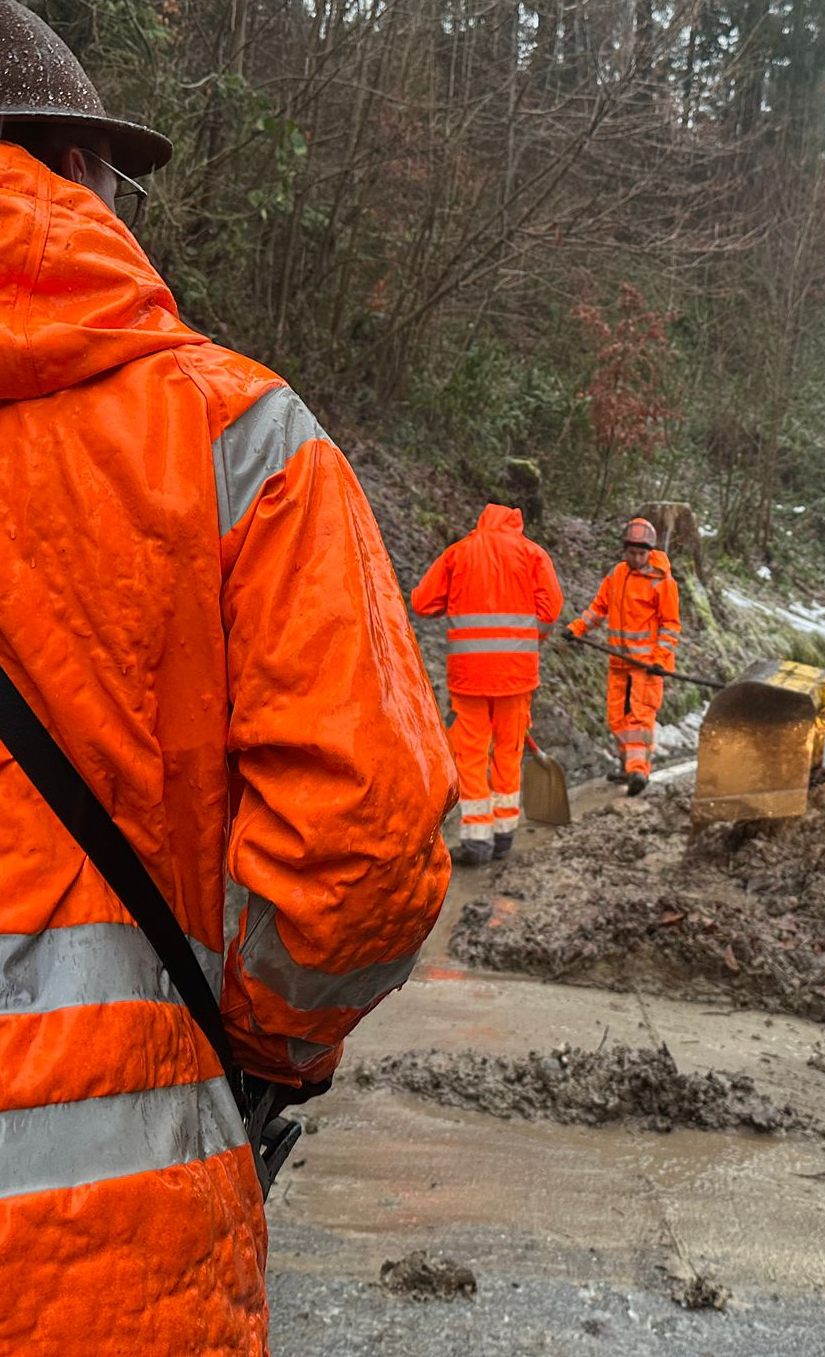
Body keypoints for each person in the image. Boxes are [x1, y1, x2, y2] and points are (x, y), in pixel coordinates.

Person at [0, 5, 457, 1353]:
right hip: (108, 1251)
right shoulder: (233, 441)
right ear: (83, 179)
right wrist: (262, 1055)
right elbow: (362, 842)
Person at [412, 504, 563, 863]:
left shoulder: (459, 553)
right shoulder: (532, 554)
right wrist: (529, 641)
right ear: (515, 521)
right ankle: (504, 834)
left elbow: (421, 603)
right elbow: (551, 608)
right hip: (516, 675)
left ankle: (477, 839)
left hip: (470, 677)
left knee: (471, 754)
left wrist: (456, 601)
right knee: (508, 751)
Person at [566, 517, 681, 795]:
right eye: (631, 553)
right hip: (618, 663)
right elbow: (599, 608)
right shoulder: (617, 574)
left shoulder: (661, 582)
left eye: (641, 553)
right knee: (616, 718)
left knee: (639, 719)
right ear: (624, 550)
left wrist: (659, 658)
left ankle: (639, 771)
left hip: (646, 666)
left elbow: (670, 625)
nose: (636, 558)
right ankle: (626, 766)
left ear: (649, 551)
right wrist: (577, 628)